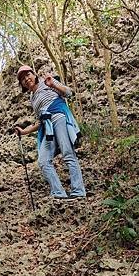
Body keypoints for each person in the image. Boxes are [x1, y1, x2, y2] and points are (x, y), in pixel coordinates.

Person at [15, 65, 86, 201]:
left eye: (28, 75)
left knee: (68, 153)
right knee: (43, 161)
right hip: (47, 127)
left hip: (59, 118)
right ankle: (59, 192)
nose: (26, 79)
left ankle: (78, 190)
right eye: (23, 79)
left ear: (34, 75)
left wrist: (53, 84)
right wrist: (24, 131)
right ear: (22, 84)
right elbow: (39, 121)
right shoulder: (32, 98)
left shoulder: (47, 81)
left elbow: (69, 93)